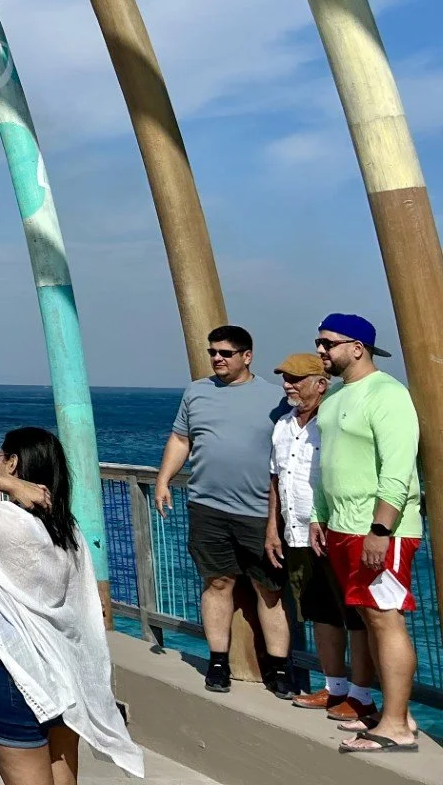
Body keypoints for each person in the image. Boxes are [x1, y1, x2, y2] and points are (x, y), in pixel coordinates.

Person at [0, 429, 144, 784]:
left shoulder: (6, 520)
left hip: (10, 665)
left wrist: (11, 487)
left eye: (0, 457)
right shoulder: (65, 529)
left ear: (13, 463)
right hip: (60, 666)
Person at [152, 323, 292, 695]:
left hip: (259, 511)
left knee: (269, 589)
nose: (217, 358)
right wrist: (164, 479)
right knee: (217, 582)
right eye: (213, 351)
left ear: (247, 356)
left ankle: (279, 668)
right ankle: (218, 663)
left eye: (225, 353)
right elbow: (181, 438)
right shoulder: (196, 392)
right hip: (207, 507)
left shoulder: (275, 397)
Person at [312, 312, 423, 755]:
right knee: (371, 621)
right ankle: (396, 714)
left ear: (357, 347)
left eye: (328, 343)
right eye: (318, 342)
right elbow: (329, 465)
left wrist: (381, 528)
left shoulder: (388, 394)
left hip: (379, 531)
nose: (320, 351)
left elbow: (397, 468)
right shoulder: (338, 397)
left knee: (385, 618)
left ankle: (396, 725)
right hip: (341, 527)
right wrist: (320, 515)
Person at [262, 350, 368, 722]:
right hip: (296, 534)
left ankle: (362, 696)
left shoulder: (334, 422)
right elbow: (276, 479)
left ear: (321, 384)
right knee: (321, 612)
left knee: (355, 615)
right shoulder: (283, 424)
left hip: (335, 531)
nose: (287, 385)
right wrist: (272, 527)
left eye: (296, 379)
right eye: (285, 378)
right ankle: (334, 687)